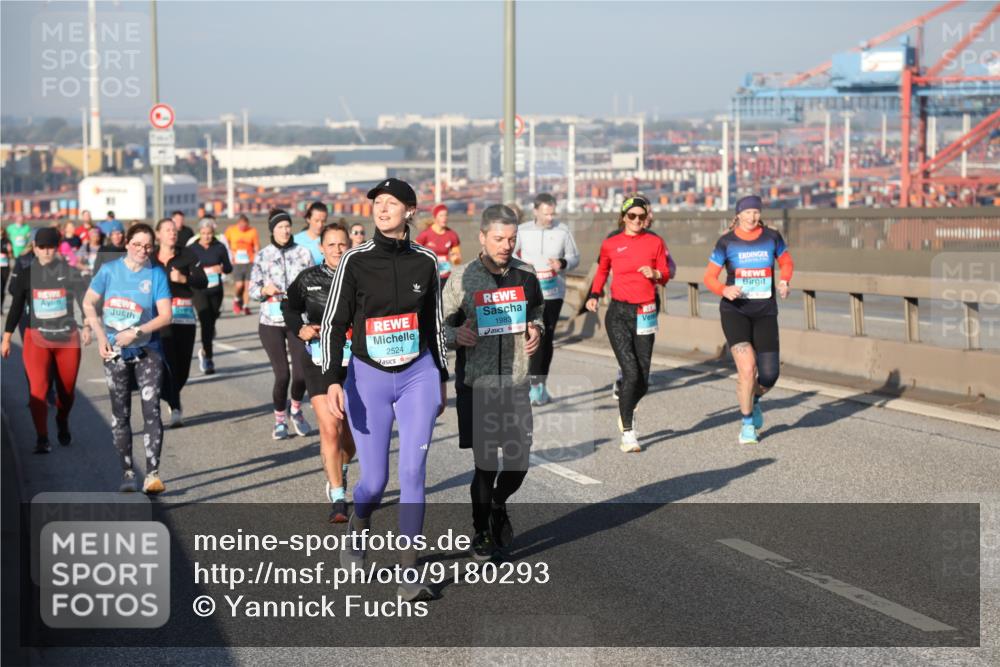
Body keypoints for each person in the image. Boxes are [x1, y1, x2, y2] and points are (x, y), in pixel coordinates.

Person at [320, 177, 448, 602]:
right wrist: (332, 379)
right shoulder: (354, 260)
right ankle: (358, 527)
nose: (382, 208)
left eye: (392, 202)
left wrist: (441, 376)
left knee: (413, 473)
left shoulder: (426, 260)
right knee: (374, 482)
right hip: (368, 377)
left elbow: (435, 323)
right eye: (377, 202)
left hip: (418, 375)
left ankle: (409, 573)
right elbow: (333, 323)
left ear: (410, 210)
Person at [442, 204, 544, 560]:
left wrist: (536, 329)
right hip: (476, 384)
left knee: (518, 463)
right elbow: (439, 328)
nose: (506, 245)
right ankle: (481, 530)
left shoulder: (526, 274)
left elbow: (537, 312)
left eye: (512, 239)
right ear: (482, 237)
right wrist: (457, 335)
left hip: (515, 383)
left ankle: (498, 503)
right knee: (486, 464)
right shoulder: (462, 277)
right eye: (499, 239)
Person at [82, 223, 173, 494]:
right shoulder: (109, 271)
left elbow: (166, 316)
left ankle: (152, 475)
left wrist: (136, 331)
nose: (143, 250)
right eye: (137, 245)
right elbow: (88, 302)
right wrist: (100, 336)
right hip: (115, 351)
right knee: (120, 413)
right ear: (127, 244)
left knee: (151, 409)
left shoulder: (156, 274)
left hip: (148, 349)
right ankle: (128, 472)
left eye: (148, 246)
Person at [282, 222, 357, 522]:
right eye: (331, 245)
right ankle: (338, 498)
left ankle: (340, 466)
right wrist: (299, 327)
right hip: (319, 360)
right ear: (321, 248)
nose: (337, 249)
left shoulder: (361, 276)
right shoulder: (308, 278)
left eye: (342, 244)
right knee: (330, 427)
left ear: (349, 246)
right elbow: (288, 307)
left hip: (356, 363)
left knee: (351, 436)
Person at [703, 195, 793, 445]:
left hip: (765, 312)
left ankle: (754, 399)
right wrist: (724, 290)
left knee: (769, 374)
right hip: (736, 311)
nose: (752, 217)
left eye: (756, 212)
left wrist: (784, 281)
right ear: (738, 215)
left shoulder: (771, 237)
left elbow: (786, 261)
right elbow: (709, 277)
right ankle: (747, 424)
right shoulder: (727, 242)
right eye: (747, 212)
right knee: (746, 368)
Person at [585, 196, 671, 453]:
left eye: (641, 216)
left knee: (643, 379)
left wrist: (655, 274)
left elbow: (666, 274)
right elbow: (602, 270)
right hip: (619, 313)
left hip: (646, 312)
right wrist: (594, 294)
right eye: (631, 216)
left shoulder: (655, 242)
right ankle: (628, 432)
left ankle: (626, 406)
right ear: (623, 217)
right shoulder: (611, 243)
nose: (636, 220)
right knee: (631, 372)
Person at [2, 227, 92, 452]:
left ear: (57, 248)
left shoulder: (69, 272)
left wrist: (88, 325)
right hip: (36, 338)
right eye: (41, 247)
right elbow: (16, 307)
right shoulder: (27, 274)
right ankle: (42, 438)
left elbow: (84, 301)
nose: (46, 251)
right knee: (38, 391)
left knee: (67, 393)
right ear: (34, 248)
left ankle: (62, 419)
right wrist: (7, 338)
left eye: (50, 247)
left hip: (66, 339)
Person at [250, 209, 314, 439]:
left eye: (288, 226)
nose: (285, 230)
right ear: (272, 230)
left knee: (301, 374)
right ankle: (279, 420)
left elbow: (313, 284)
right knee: (282, 375)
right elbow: (252, 290)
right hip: (271, 322)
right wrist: (263, 290)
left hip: (297, 321)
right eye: (280, 227)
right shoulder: (263, 255)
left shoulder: (303, 253)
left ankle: (295, 410)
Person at [514, 192, 580, 406]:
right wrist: (523, 267)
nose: (550, 218)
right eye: (546, 214)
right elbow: (509, 254)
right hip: (528, 291)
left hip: (553, 292)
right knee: (530, 334)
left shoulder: (563, 230)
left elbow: (574, 257)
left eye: (552, 214)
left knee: (546, 336)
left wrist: (562, 263)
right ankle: (528, 382)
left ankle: (539, 384)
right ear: (535, 211)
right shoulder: (523, 230)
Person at [152, 218, 208, 428]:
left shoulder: (188, 255)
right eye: (167, 230)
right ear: (158, 234)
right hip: (160, 319)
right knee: (168, 362)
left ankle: (171, 393)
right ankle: (175, 406)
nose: (172, 233)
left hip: (184, 316)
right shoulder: (150, 258)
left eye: (174, 230)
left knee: (183, 367)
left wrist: (183, 279)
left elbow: (202, 281)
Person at [188, 216, 232, 375]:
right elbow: (186, 268)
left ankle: (205, 349)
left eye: (209, 233)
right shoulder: (192, 249)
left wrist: (221, 268)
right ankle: (208, 357)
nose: (206, 236)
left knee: (211, 321)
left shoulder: (219, 247)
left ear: (213, 233)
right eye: (204, 233)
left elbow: (228, 267)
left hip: (215, 290)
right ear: (199, 233)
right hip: (198, 290)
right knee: (206, 321)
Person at [415, 203, 462, 286]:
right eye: (441, 215)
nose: (444, 218)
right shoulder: (425, 234)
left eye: (446, 215)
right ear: (435, 217)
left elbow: (457, 259)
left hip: (445, 275)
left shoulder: (452, 235)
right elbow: (414, 251)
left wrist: (455, 259)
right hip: (428, 275)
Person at [224, 214, 260, 315]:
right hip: (236, 262)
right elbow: (225, 244)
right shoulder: (231, 230)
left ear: (248, 224)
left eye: (245, 225)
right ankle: (236, 299)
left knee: (247, 285)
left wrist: (257, 258)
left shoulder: (252, 231)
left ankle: (245, 306)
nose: (243, 227)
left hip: (249, 261)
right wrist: (229, 255)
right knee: (239, 285)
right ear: (238, 223)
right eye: (241, 225)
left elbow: (256, 246)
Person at [1, 229, 12, 310]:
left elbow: (11, 255)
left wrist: (9, 251)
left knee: (2, 288)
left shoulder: (7, 241)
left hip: (5, 266)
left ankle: (1, 307)